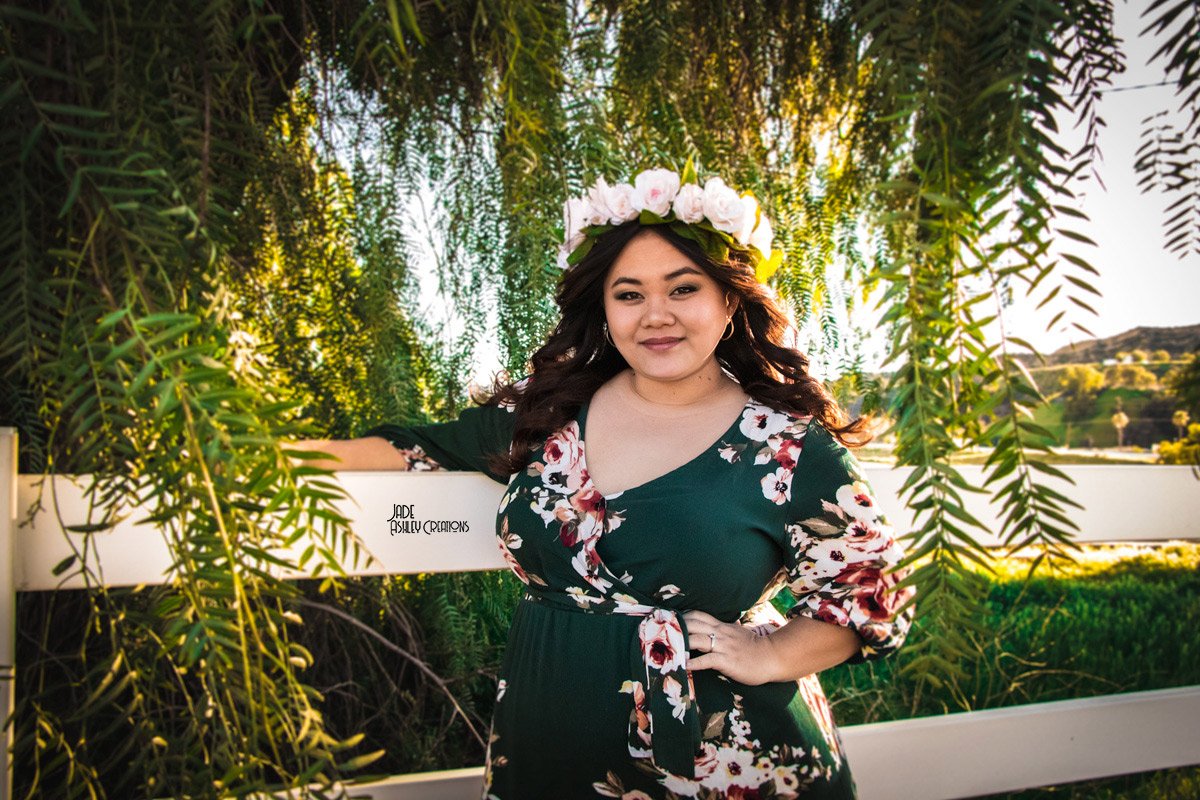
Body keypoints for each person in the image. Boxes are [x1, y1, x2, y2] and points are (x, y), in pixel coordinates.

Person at [294, 166, 915, 799]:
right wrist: (262, 459)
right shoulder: (550, 413)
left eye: (683, 289)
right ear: (605, 307)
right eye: (629, 294)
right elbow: (417, 448)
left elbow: (873, 592)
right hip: (549, 739)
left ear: (729, 300)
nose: (656, 316)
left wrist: (771, 654)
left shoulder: (786, 444)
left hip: (724, 759)